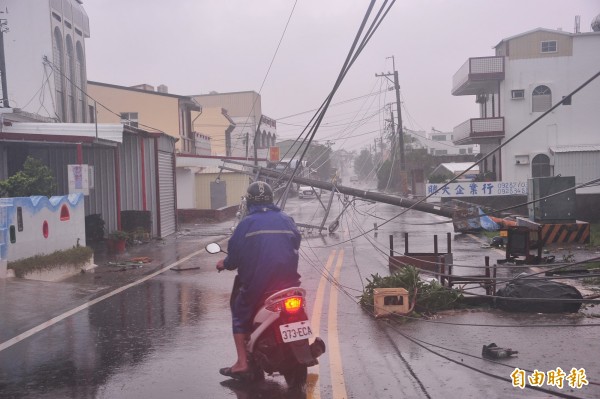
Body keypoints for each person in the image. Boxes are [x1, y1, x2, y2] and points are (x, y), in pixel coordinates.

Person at [216, 181, 301, 379]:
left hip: (259, 285)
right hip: (290, 284)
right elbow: (296, 242)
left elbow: (234, 256)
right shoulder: (286, 219)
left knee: (239, 312)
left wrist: (225, 263)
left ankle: (242, 363)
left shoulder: (246, 223)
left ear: (250, 201)